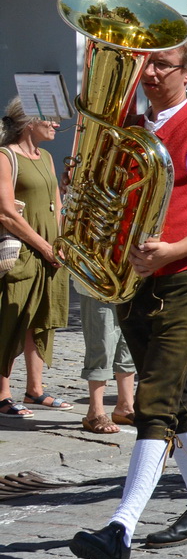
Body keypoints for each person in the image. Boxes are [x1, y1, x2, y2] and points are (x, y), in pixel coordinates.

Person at [70, 31, 187, 559]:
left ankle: (120, 526)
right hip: (131, 277)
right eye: (146, 65)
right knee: (174, 399)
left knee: (153, 396)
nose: (149, 74)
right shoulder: (126, 131)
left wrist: (173, 248)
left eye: (163, 66)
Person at [0, 99, 69, 417]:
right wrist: (44, 246)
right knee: (10, 319)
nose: (56, 125)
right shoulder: (5, 157)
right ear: (30, 122)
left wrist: (61, 243)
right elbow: (6, 214)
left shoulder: (47, 157)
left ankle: (35, 390)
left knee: (40, 320)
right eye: (51, 120)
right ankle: (2, 392)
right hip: (23, 251)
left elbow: (56, 202)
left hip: (48, 252)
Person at [79, 289, 135, 433]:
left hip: (130, 282)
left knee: (129, 342)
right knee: (102, 342)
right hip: (97, 284)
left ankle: (126, 407)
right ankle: (95, 411)